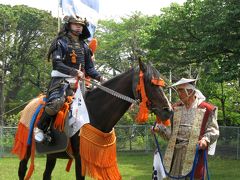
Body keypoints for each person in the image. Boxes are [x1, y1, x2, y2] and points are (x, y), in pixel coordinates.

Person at [34, 15, 102, 143]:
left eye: (81, 25)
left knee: (98, 100)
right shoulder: (59, 42)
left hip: (81, 84)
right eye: (75, 24)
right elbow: (57, 64)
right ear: (69, 25)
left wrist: (100, 77)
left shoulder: (84, 46)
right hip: (61, 82)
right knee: (56, 102)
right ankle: (40, 129)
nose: (78, 27)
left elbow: (90, 68)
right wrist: (74, 71)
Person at [152, 78, 219, 179]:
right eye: (178, 90)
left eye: (181, 90)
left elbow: (213, 130)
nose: (178, 93)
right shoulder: (175, 109)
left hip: (195, 155)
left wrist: (205, 140)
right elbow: (171, 135)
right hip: (176, 157)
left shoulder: (206, 109)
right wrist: (160, 129)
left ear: (191, 91)